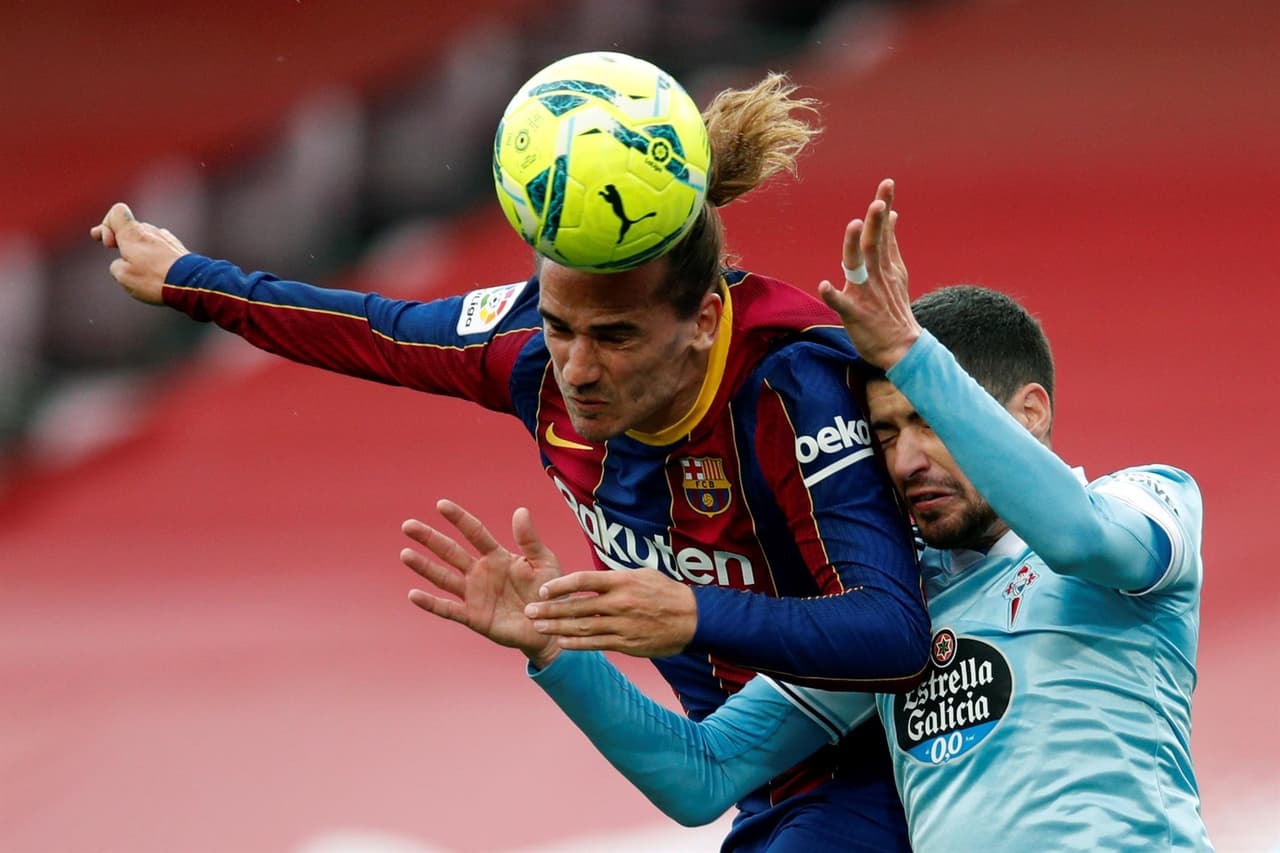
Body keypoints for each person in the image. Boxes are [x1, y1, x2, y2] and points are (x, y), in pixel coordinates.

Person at [92, 73, 930, 851]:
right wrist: (188, 278)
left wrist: (690, 611)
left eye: (616, 337)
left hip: (896, 761)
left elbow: (897, 634)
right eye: (562, 326)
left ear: (704, 321)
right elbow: (374, 329)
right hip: (751, 776)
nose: (578, 368)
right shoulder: (527, 353)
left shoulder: (791, 386)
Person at [400, 181, 1211, 850]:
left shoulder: (1149, 501)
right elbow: (703, 774)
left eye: (930, 422)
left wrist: (910, 354)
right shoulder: (902, 611)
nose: (905, 461)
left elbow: (1074, 535)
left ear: (1029, 413)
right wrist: (556, 654)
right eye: (885, 433)